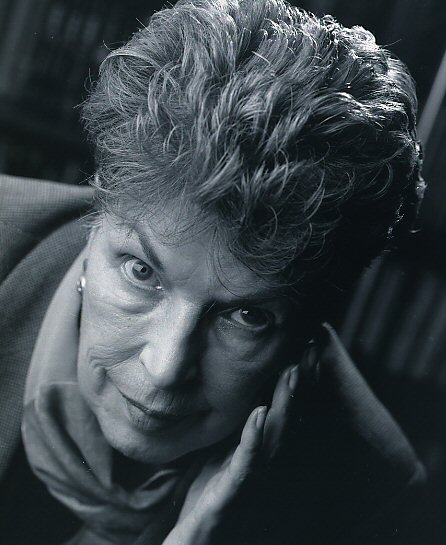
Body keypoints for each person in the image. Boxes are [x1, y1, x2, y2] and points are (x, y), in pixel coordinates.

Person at [0, 0, 427, 544]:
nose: (165, 369)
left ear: (307, 332)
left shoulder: (374, 497)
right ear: (98, 213)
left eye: (247, 316)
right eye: (141, 272)